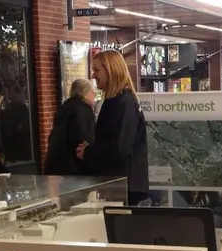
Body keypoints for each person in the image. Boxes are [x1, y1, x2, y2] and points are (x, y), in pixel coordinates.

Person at [76, 50, 149, 206]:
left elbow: (120, 147)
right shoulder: (117, 101)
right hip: (118, 185)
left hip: (125, 188)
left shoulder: (124, 102)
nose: (93, 75)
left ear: (111, 70)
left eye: (97, 70)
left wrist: (89, 151)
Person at [45, 79, 96, 176]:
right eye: (92, 91)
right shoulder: (83, 110)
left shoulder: (65, 107)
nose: (94, 94)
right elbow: (85, 140)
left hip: (56, 167)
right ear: (84, 93)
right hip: (74, 169)